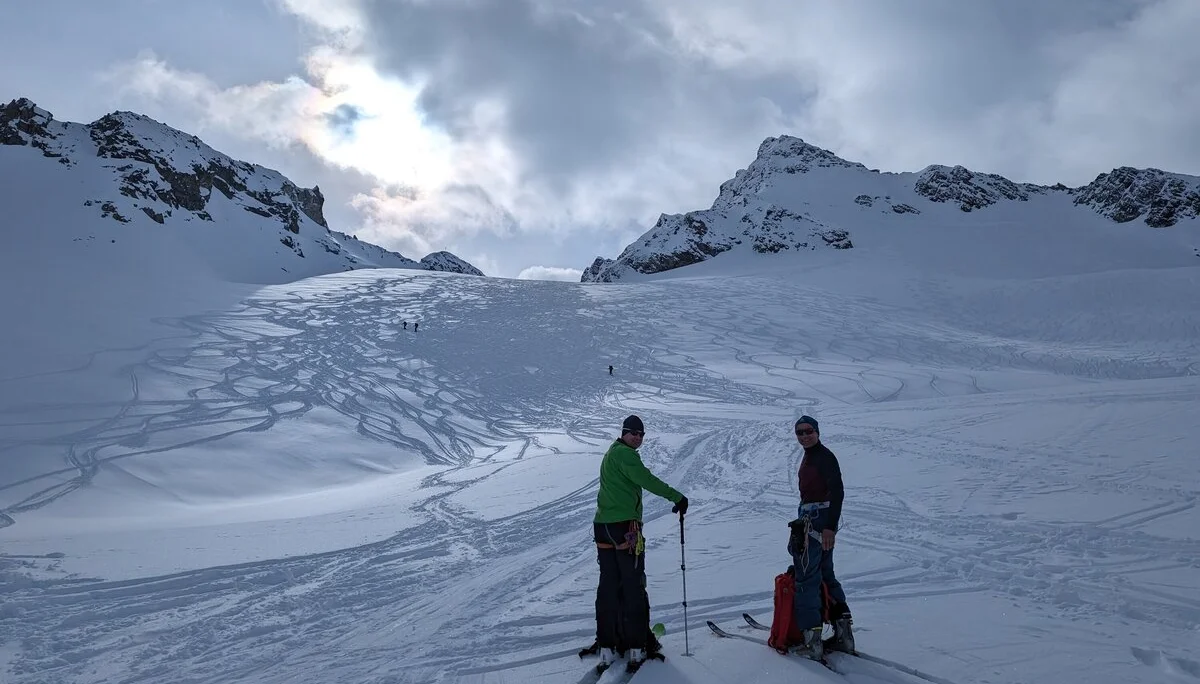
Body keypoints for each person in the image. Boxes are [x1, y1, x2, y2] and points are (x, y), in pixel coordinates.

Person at [593, 415, 688, 674]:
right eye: (632, 432)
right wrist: (676, 496)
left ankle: (607, 646)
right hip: (626, 529)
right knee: (634, 586)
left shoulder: (611, 452)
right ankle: (636, 647)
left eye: (641, 434)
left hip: (603, 528)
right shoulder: (626, 456)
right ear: (623, 433)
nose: (637, 437)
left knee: (609, 587)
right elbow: (646, 479)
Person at [788, 415, 854, 660]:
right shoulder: (813, 456)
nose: (804, 436)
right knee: (826, 574)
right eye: (800, 432)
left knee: (806, 578)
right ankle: (843, 635)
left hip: (816, 522)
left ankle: (811, 641)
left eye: (809, 431)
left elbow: (837, 491)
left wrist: (829, 527)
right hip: (817, 520)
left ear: (817, 431)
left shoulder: (823, 457)